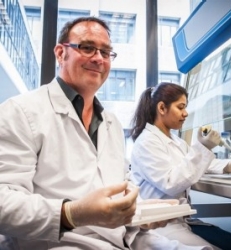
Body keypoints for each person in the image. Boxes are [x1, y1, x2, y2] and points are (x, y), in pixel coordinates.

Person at [0, 17, 216, 250]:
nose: (98, 58)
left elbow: (123, 191)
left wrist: (141, 210)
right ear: (61, 53)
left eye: (106, 52)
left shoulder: (110, 123)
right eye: (87, 47)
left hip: (127, 238)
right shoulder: (20, 111)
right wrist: (71, 214)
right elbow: (3, 203)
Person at [129, 82, 231, 250]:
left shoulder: (175, 141)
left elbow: (197, 162)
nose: (185, 114)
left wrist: (228, 165)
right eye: (180, 107)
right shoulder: (146, 143)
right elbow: (171, 183)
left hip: (181, 219)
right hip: (162, 224)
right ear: (162, 108)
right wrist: (203, 147)